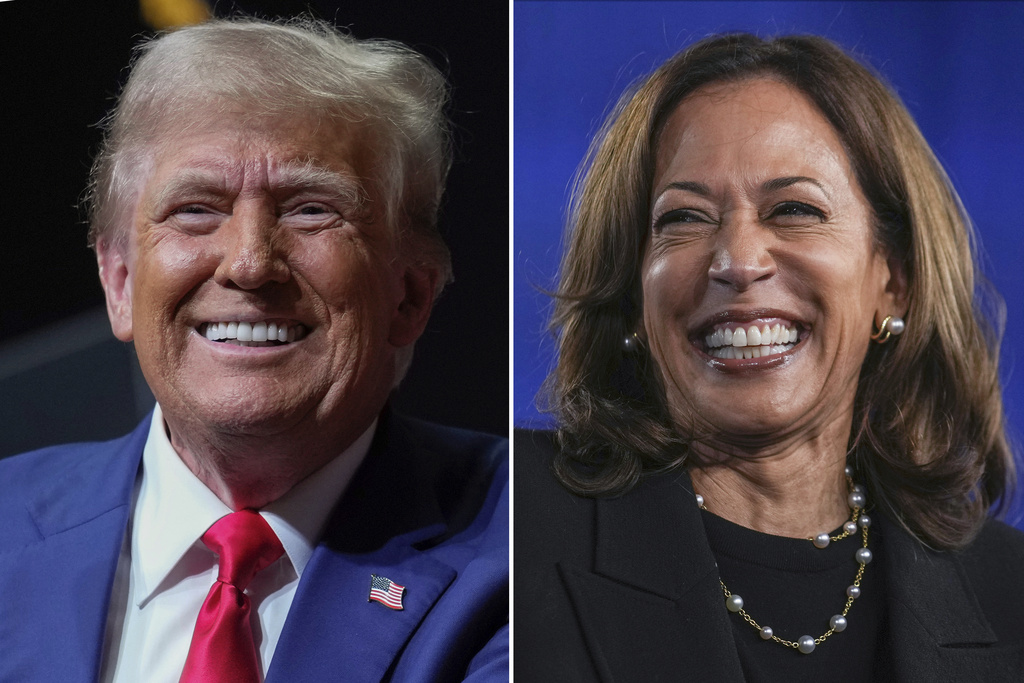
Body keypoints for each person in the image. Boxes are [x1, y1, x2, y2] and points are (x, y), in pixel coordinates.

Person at [0, 17, 507, 683]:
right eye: (196, 209)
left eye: (310, 208)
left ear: (409, 295)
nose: (248, 262)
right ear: (120, 281)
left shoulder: (525, 547)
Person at [515, 33, 1024, 682]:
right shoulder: (514, 523)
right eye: (684, 218)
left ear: (892, 280)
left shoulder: (1008, 593)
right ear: (633, 289)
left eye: (793, 209)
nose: (738, 260)